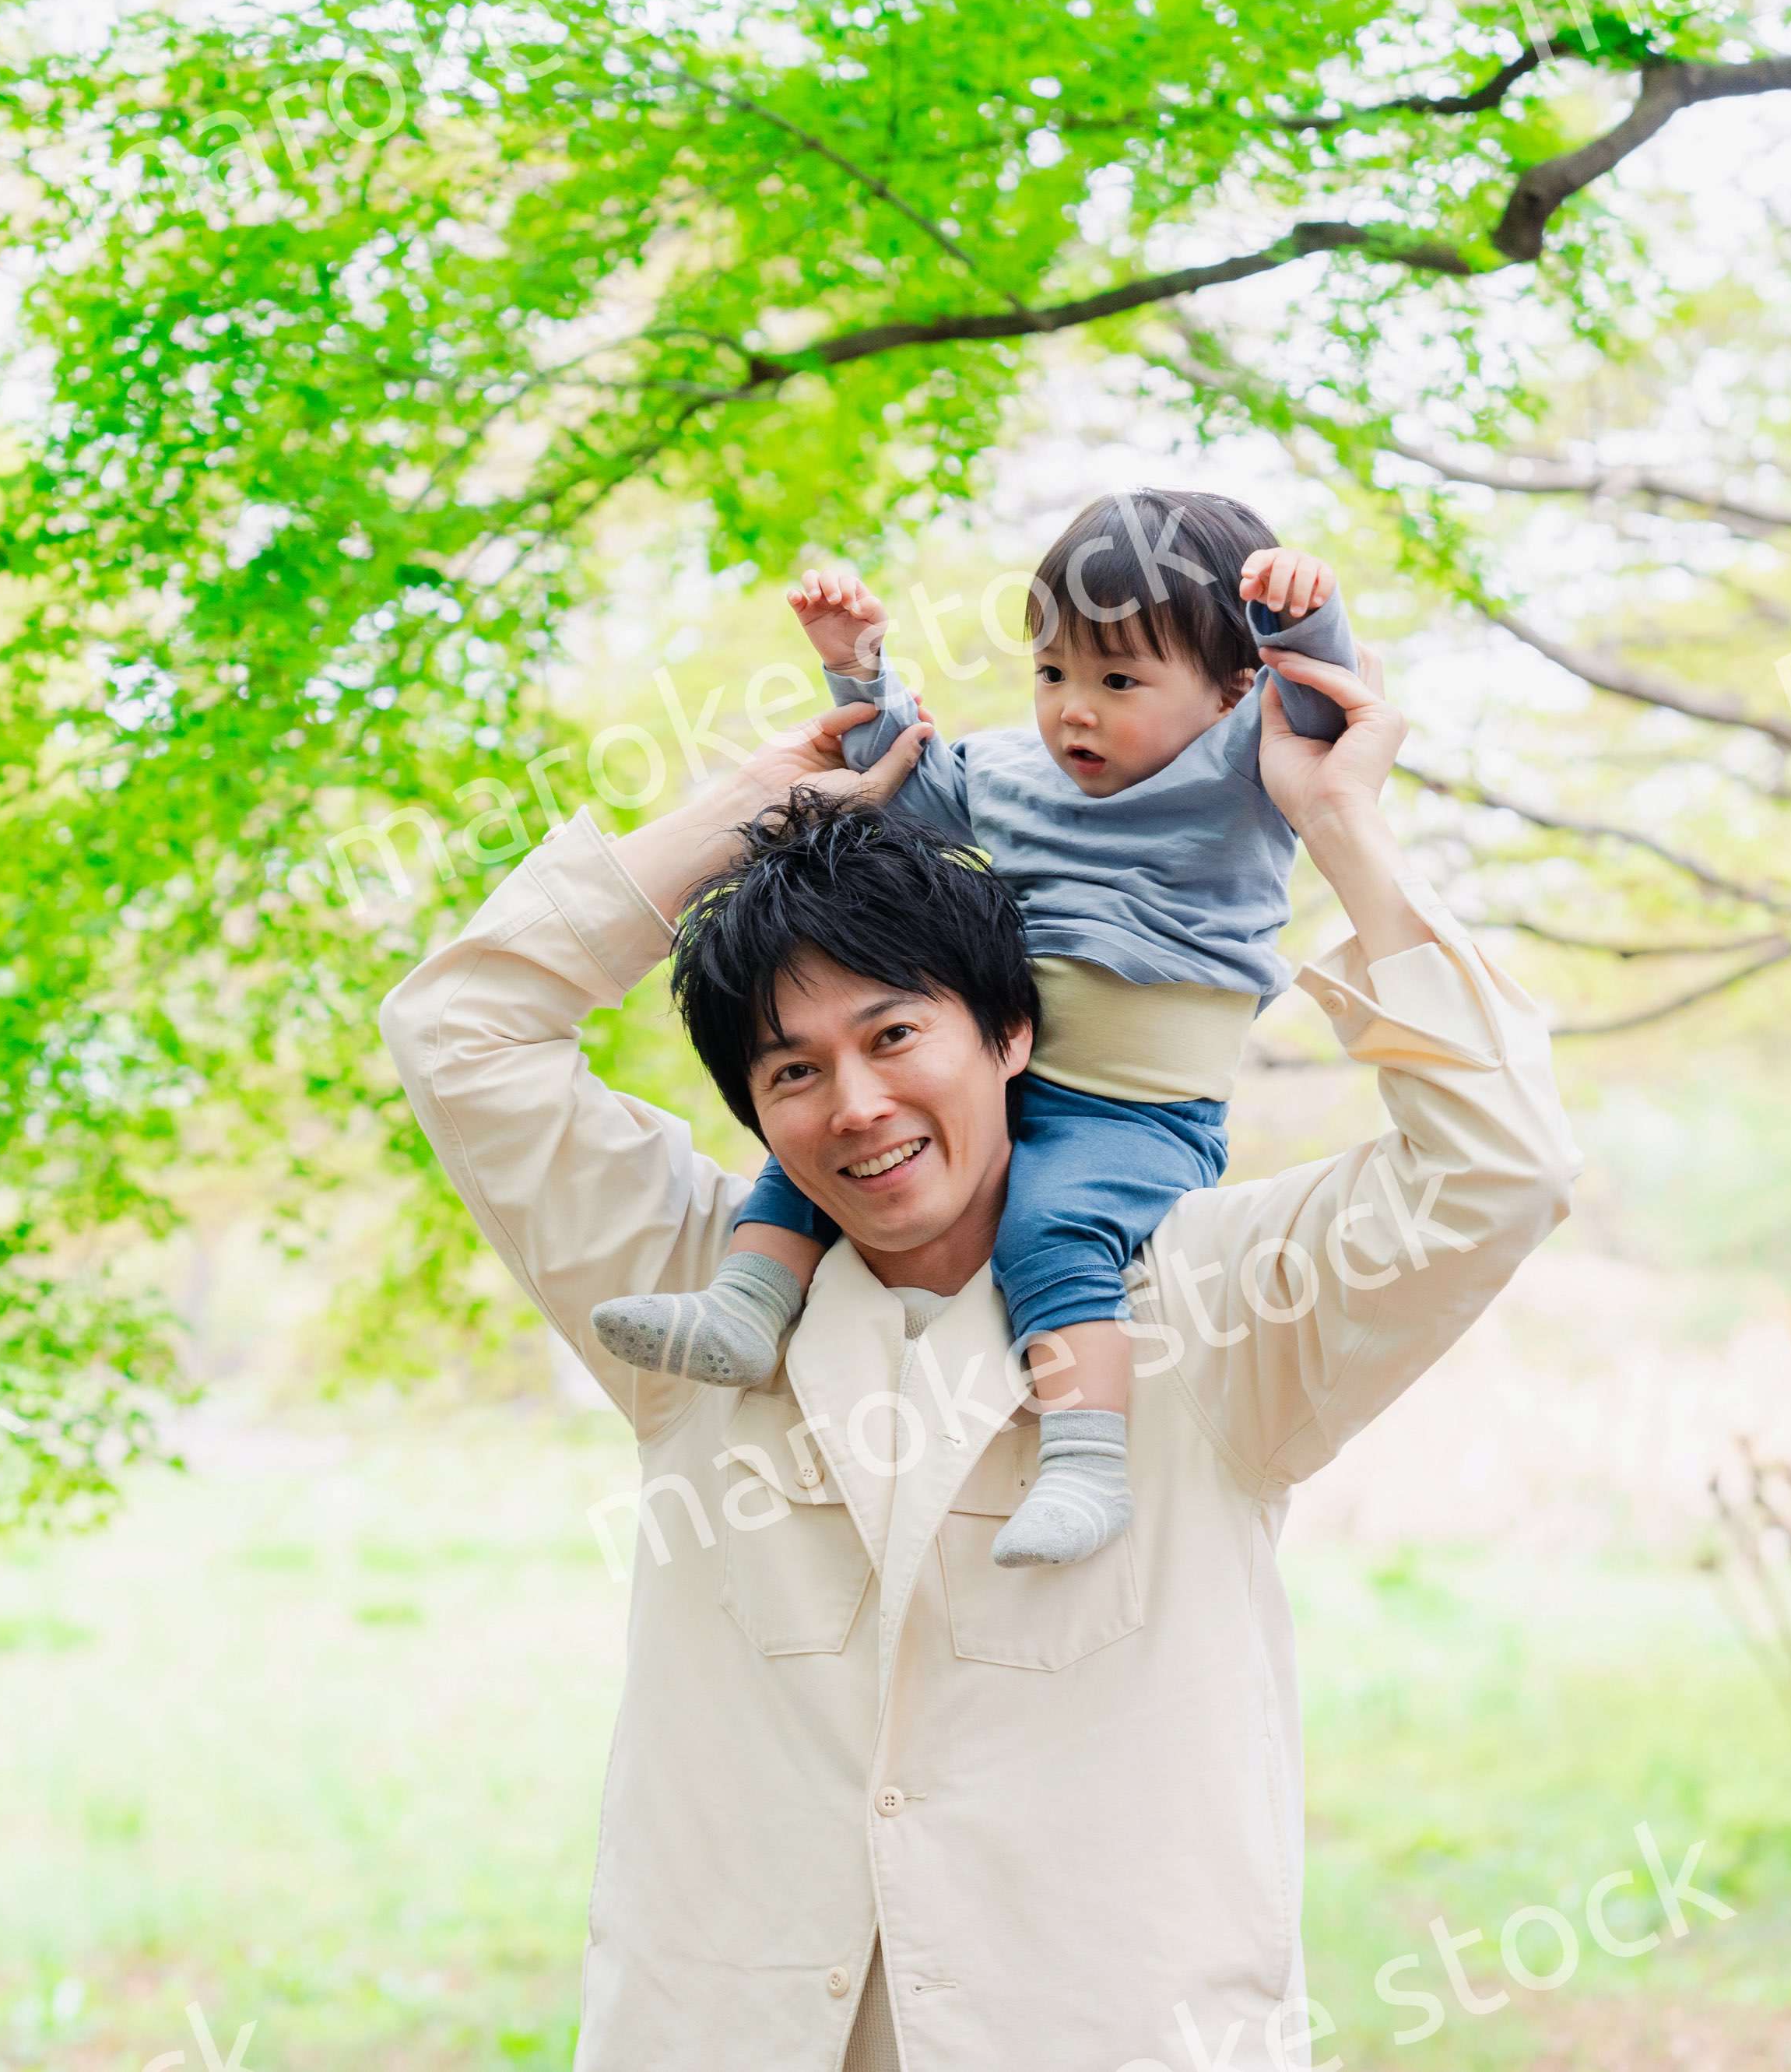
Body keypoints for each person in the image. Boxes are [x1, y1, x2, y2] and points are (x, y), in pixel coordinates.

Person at [380, 620, 1579, 2067]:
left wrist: (1338, 823)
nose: (858, 1106)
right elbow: (460, 1031)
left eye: (896, 1036)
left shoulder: (1208, 1298)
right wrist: (752, 812)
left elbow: (1499, 1172)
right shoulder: (690, 1301)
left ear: (1010, 1031)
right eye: (793, 1071)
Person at [591, 491, 1358, 1573]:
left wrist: (1303, 617)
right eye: (1053, 675)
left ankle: (1087, 1459)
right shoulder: (1012, 775)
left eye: (1119, 681)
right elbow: (908, 785)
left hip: (1137, 1112)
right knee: (817, 1146)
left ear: (1231, 690)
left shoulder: (1241, 773)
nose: (1073, 713)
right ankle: (747, 1303)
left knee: (1052, 1231)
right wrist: (858, 670)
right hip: (1003, 1081)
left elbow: (1328, 712)